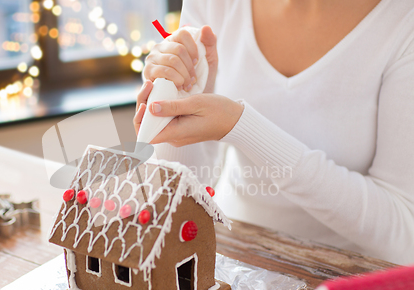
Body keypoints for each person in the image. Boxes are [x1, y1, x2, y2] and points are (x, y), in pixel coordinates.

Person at [133, 0, 414, 265]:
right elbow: (177, 202)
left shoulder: (402, 22)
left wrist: (242, 127)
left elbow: (403, 238)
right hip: (232, 261)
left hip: (345, 281)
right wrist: (174, 101)